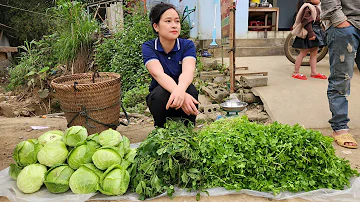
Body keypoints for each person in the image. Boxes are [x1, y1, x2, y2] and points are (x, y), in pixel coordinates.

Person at [142, 3, 199, 128]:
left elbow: (188, 71)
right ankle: (160, 130)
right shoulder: (149, 47)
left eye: (177, 21)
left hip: (183, 91)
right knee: (160, 94)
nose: (174, 25)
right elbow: (158, 73)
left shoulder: (187, 45)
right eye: (168, 21)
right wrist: (181, 94)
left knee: (191, 91)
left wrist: (180, 92)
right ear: (156, 26)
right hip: (161, 100)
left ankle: (188, 130)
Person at [321, 0, 359, 149]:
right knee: (341, 79)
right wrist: (339, 20)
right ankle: (340, 127)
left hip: (347, 26)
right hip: (346, 25)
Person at [291, 0, 327, 80]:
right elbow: (306, 21)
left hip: (316, 30)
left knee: (314, 53)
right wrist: (311, 33)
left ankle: (313, 72)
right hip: (309, 32)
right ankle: (295, 72)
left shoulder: (315, 7)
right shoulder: (307, 7)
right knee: (303, 53)